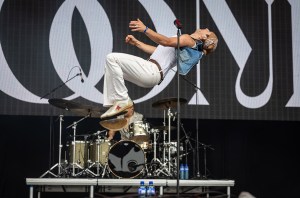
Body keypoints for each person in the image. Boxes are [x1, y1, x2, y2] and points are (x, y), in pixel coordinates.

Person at [101, 18, 218, 118]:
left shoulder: (187, 38)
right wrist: (136, 43)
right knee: (112, 67)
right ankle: (117, 103)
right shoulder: (187, 46)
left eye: (207, 31)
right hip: (151, 74)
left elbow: (165, 42)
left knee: (112, 58)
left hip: (152, 71)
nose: (205, 28)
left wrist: (145, 29)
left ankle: (122, 101)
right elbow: (158, 51)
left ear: (204, 36)